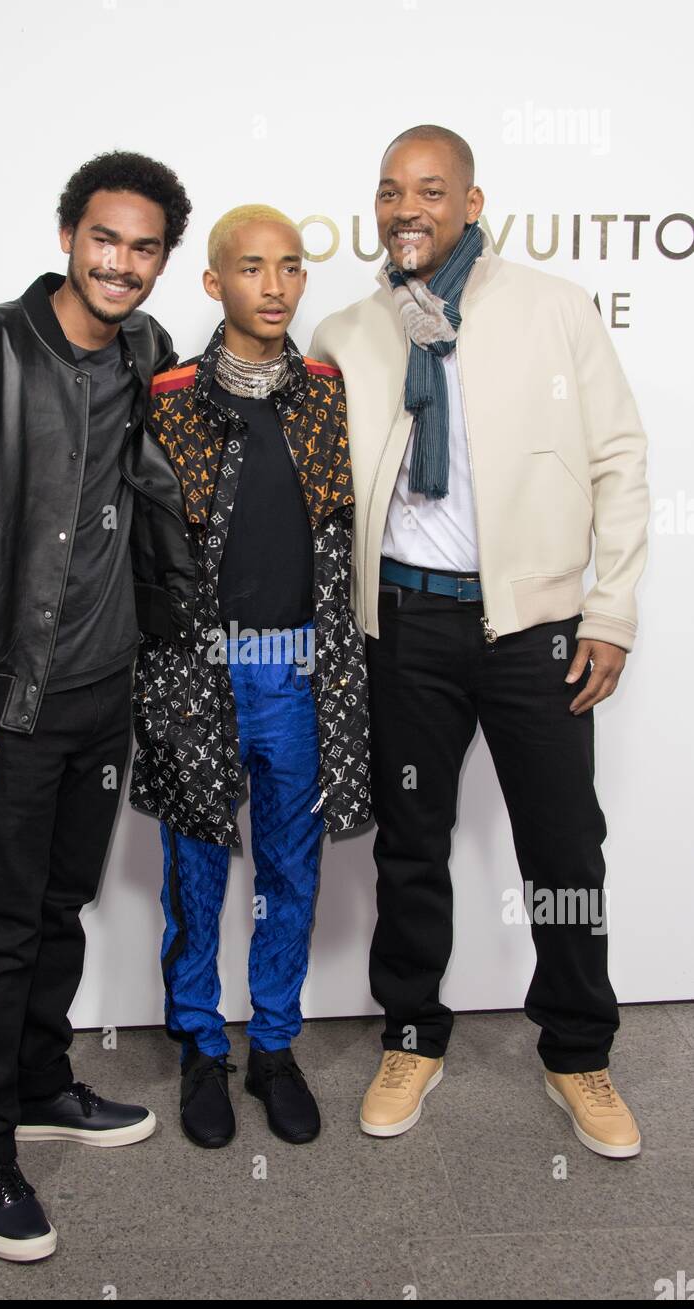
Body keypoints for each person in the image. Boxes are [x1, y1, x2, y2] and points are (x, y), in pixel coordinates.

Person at [310, 125, 649, 1158]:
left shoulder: (552, 308)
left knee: (564, 847)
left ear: (469, 201)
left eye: (429, 189)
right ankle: (413, 1033)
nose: (406, 207)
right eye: (388, 190)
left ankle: (576, 1051)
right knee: (412, 846)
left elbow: (619, 459)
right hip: (405, 626)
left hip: (532, 631)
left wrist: (611, 609)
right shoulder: (348, 332)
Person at [0, 150, 190, 1260]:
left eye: (145, 247)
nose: (122, 263)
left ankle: (46, 1082)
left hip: (109, 695)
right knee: (5, 918)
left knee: (62, 900)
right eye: (105, 238)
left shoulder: (149, 353)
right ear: (68, 237)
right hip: (11, 700)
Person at [127, 204, 371, 1148]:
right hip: (194, 672)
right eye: (252, 268)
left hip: (300, 675)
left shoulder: (328, 393)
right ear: (213, 282)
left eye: (292, 267)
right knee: (192, 874)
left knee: (289, 870)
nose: (275, 286)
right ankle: (198, 1046)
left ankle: (272, 1046)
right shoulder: (170, 396)